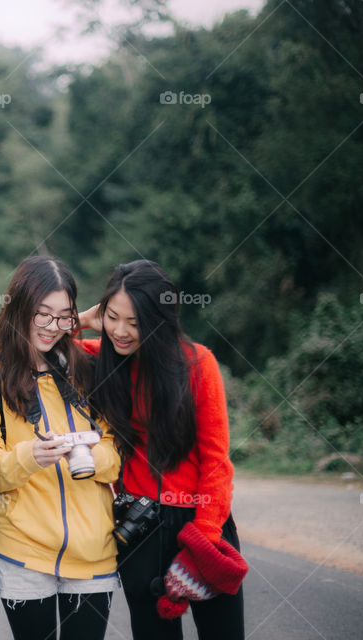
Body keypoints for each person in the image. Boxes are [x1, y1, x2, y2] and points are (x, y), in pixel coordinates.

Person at [78, 259, 248, 640]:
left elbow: (216, 461)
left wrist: (203, 540)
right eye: (112, 317)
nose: (120, 332)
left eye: (135, 322)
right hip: (139, 527)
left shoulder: (198, 364)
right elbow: (29, 343)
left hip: (201, 524)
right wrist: (83, 319)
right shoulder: (99, 358)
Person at [0, 255, 121, 640]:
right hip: (23, 553)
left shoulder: (87, 368)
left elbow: (116, 449)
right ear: (19, 308)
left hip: (94, 551)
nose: (52, 327)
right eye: (42, 314)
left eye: (63, 317)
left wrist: (88, 455)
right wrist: (31, 457)